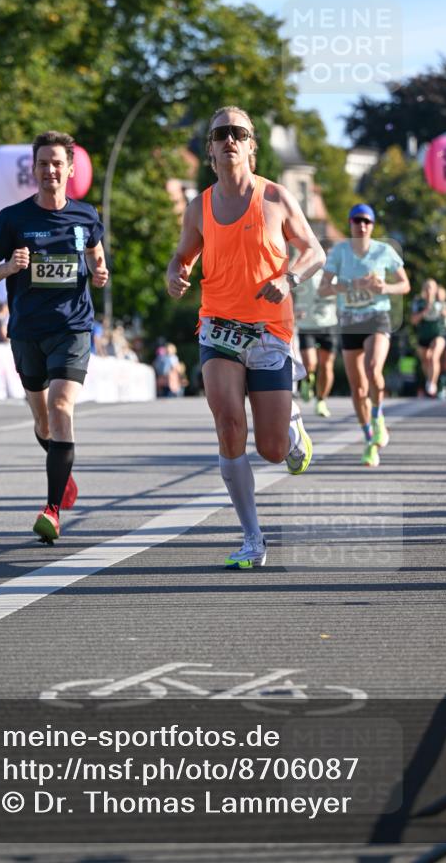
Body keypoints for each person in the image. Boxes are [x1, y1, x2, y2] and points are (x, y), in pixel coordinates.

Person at [166, 105, 325, 570]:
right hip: (218, 329)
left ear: (251, 146)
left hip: (270, 332)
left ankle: (292, 427)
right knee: (228, 424)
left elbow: (313, 250)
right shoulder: (199, 208)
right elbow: (180, 259)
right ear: (211, 150)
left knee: (272, 451)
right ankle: (252, 537)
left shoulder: (274, 197)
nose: (230, 140)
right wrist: (175, 275)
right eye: (221, 134)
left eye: (239, 133)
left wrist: (290, 280)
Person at [0, 130, 109, 544]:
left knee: (61, 406)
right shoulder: (13, 219)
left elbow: (96, 257)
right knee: (42, 419)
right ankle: (63, 476)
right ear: (33, 170)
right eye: (43, 163)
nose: (50, 169)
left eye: (57, 163)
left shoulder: (86, 216)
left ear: (70, 169)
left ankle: (51, 510)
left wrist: (101, 273)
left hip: (72, 328)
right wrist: (9, 268)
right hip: (27, 331)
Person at [319, 203, 410, 467]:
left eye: (366, 221)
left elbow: (405, 284)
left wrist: (386, 287)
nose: (362, 225)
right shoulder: (339, 252)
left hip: (376, 317)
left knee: (373, 369)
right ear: (349, 223)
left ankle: (378, 416)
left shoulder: (385, 251)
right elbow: (324, 289)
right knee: (358, 390)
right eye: (357, 220)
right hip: (349, 321)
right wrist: (351, 285)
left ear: (372, 225)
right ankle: (370, 440)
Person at [294, 238, 338, 417]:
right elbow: (291, 289)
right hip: (308, 324)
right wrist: (295, 309)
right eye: (324, 252)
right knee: (311, 363)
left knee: (327, 366)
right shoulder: (307, 270)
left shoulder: (338, 273)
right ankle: (307, 380)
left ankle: (321, 400)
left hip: (330, 324)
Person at [410, 278, 446, 398]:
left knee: (433, 357)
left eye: (431, 287)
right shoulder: (418, 303)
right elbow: (413, 320)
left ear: (435, 289)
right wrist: (424, 311)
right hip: (423, 336)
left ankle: (432, 384)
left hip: (439, 334)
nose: (428, 290)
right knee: (425, 361)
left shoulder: (441, 303)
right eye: (426, 287)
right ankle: (431, 380)